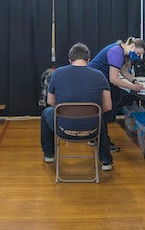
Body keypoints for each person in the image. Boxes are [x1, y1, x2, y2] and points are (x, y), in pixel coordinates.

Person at [41, 43, 114, 171]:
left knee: (47, 112)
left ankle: (49, 155)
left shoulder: (57, 73)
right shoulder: (99, 75)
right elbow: (108, 106)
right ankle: (106, 162)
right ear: (88, 60)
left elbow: (50, 102)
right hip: (92, 131)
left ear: (70, 60)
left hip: (64, 130)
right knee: (100, 117)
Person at [88, 37, 145, 153]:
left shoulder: (122, 52)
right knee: (105, 110)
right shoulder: (116, 51)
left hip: (101, 80)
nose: (138, 56)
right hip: (93, 81)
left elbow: (123, 71)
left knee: (113, 100)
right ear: (133, 47)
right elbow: (114, 79)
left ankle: (96, 137)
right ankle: (102, 141)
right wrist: (132, 87)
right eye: (138, 53)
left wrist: (134, 81)